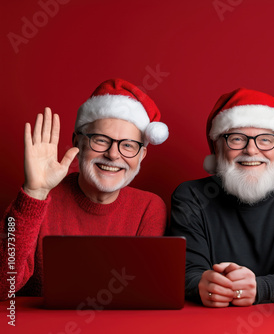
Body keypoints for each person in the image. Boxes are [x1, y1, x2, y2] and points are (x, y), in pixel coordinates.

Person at [0, 78, 170, 299]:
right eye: (100, 140)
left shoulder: (149, 208)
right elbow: (3, 287)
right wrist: (34, 193)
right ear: (77, 142)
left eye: (128, 145)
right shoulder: (39, 199)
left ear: (141, 156)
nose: (113, 154)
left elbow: (141, 293)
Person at [169, 88, 274, 307]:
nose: (251, 150)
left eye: (265, 140)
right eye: (237, 139)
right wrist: (202, 284)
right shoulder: (191, 196)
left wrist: (259, 288)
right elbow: (187, 271)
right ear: (217, 147)